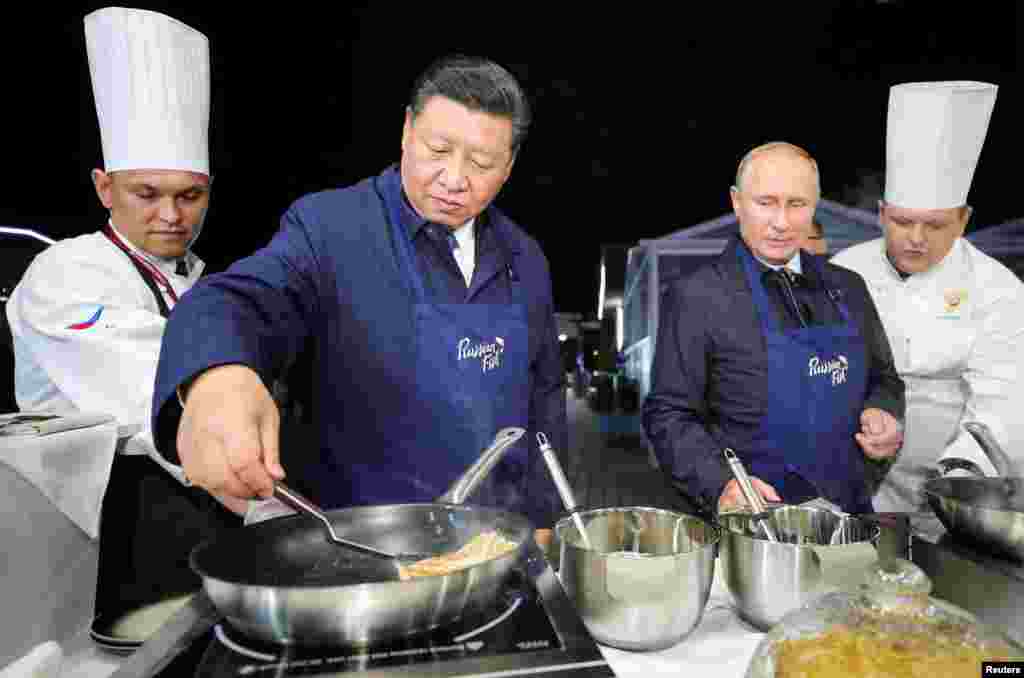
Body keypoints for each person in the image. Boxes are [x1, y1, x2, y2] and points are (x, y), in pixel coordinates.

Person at [150, 55, 567, 545]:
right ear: (407, 130)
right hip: (361, 548)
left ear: (510, 165)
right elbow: (237, 300)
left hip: (495, 546)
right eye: (437, 149)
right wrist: (217, 377)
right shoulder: (331, 228)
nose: (454, 179)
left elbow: (545, 400)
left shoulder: (526, 257)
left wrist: (546, 518)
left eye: (481, 164)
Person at [5, 7, 243, 618]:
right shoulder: (66, 273)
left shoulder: (204, 283)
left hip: (201, 515)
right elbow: (156, 392)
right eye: (147, 194)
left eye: (190, 195)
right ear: (104, 188)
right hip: (105, 525)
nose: (171, 214)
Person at [642, 142, 905, 515]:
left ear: (814, 205)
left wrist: (884, 411)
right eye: (765, 202)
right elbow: (669, 413)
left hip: (849, 517)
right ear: (736, 202)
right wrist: (719, 483)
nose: (781, 222)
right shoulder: (699, 294)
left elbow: (886, 378)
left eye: (797, 204)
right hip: (753, 527)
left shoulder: (848, 288)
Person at [832, 81, 1023, 513]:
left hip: (951, 492)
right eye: (901, 221)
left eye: (935, 226)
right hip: (850, 481)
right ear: (881, 213)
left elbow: (1005, 404)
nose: (915, 239)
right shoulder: (846, 270)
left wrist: (960, 482)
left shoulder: (999, 290)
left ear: (963, 219)